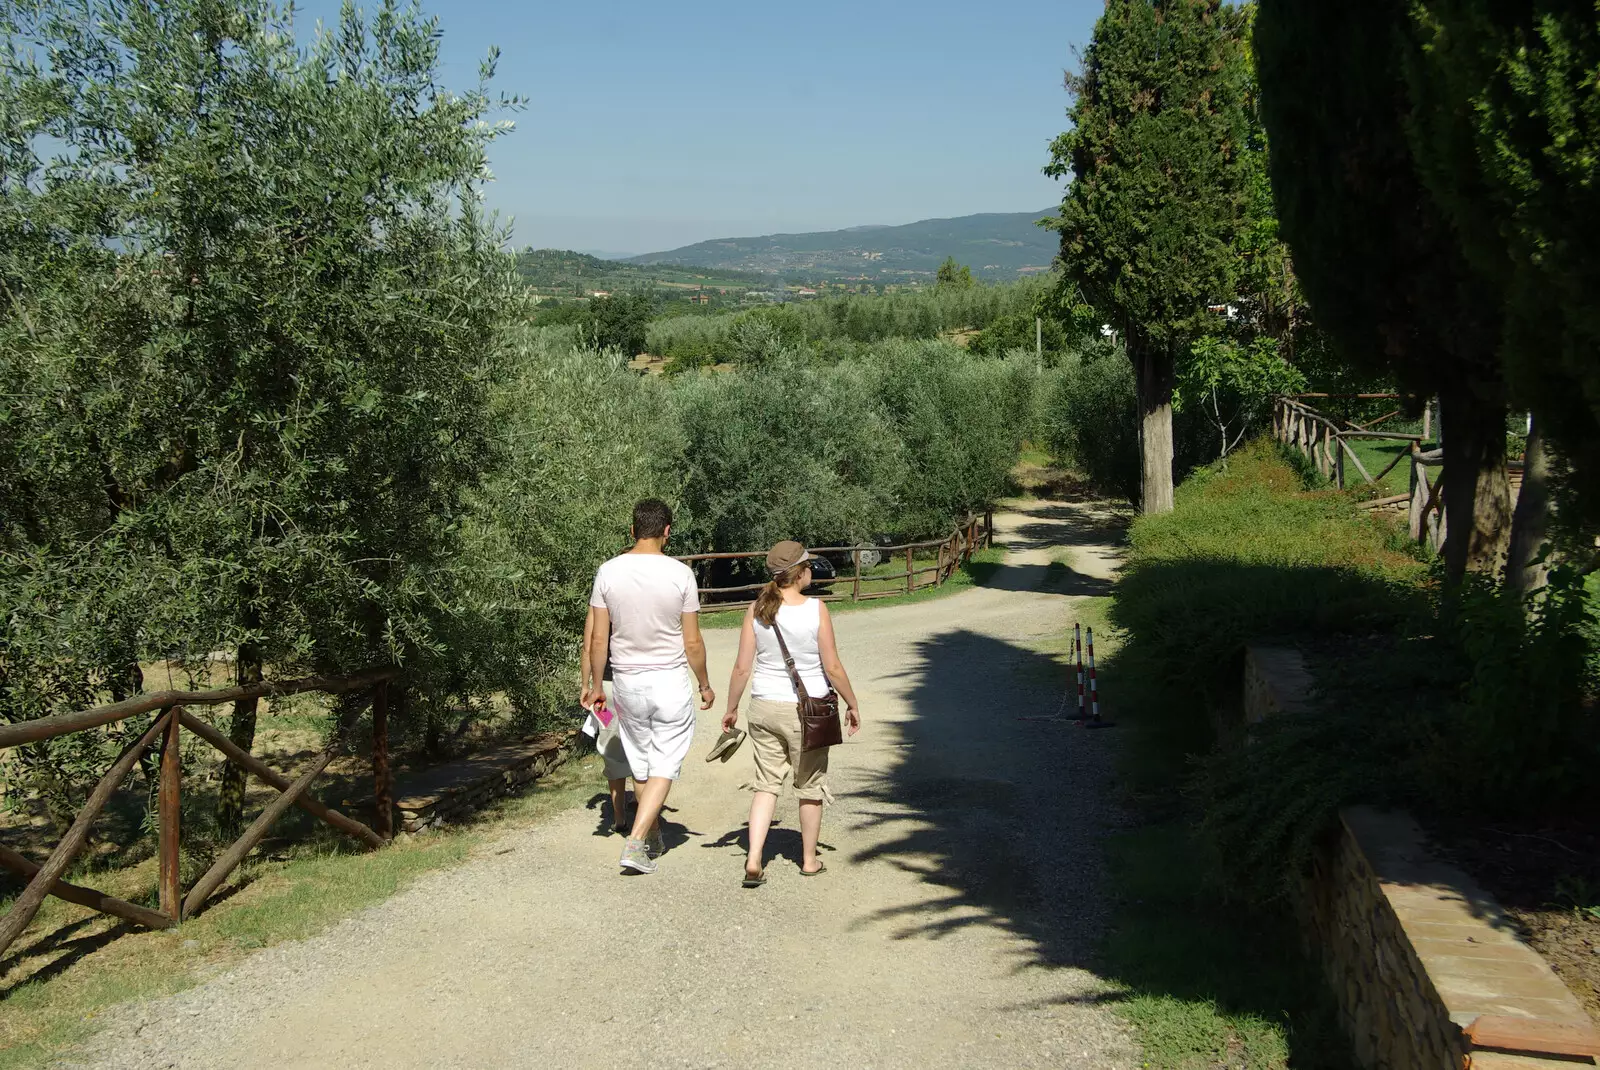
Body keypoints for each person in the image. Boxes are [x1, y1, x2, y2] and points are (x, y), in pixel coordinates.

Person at [583, 499, 714, 875]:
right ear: (667, 531)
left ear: (632, 530)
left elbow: (597, 640)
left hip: (626, 683)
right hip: (668, 681)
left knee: (641, 767)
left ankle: (652, 836)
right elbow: (692, 642)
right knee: (664, 766)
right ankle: (637, 839)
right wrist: (704, 684)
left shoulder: (607, 572)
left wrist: (596, 685)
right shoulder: (680, 574)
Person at [722, 540, 861, 886]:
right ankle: (809, 859)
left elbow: (742, 668)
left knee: (766, 785)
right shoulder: (816, 609)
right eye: (808, 566)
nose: (811, 571)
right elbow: (832, 665)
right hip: (808, 711)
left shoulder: (757, 609)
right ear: (798, 573)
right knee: (810, 785)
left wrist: (731, 709)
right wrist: (852, 702)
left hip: (764, 707)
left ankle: (754, 859)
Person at [579, 605, 631, 836]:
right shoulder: (637, 596)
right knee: (643, 746)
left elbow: (589, 646)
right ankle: (648, 813)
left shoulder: (599, 604)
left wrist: (585, 685)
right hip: (637, 684)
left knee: (611, 748)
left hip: (604, 691)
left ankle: (619, 817)